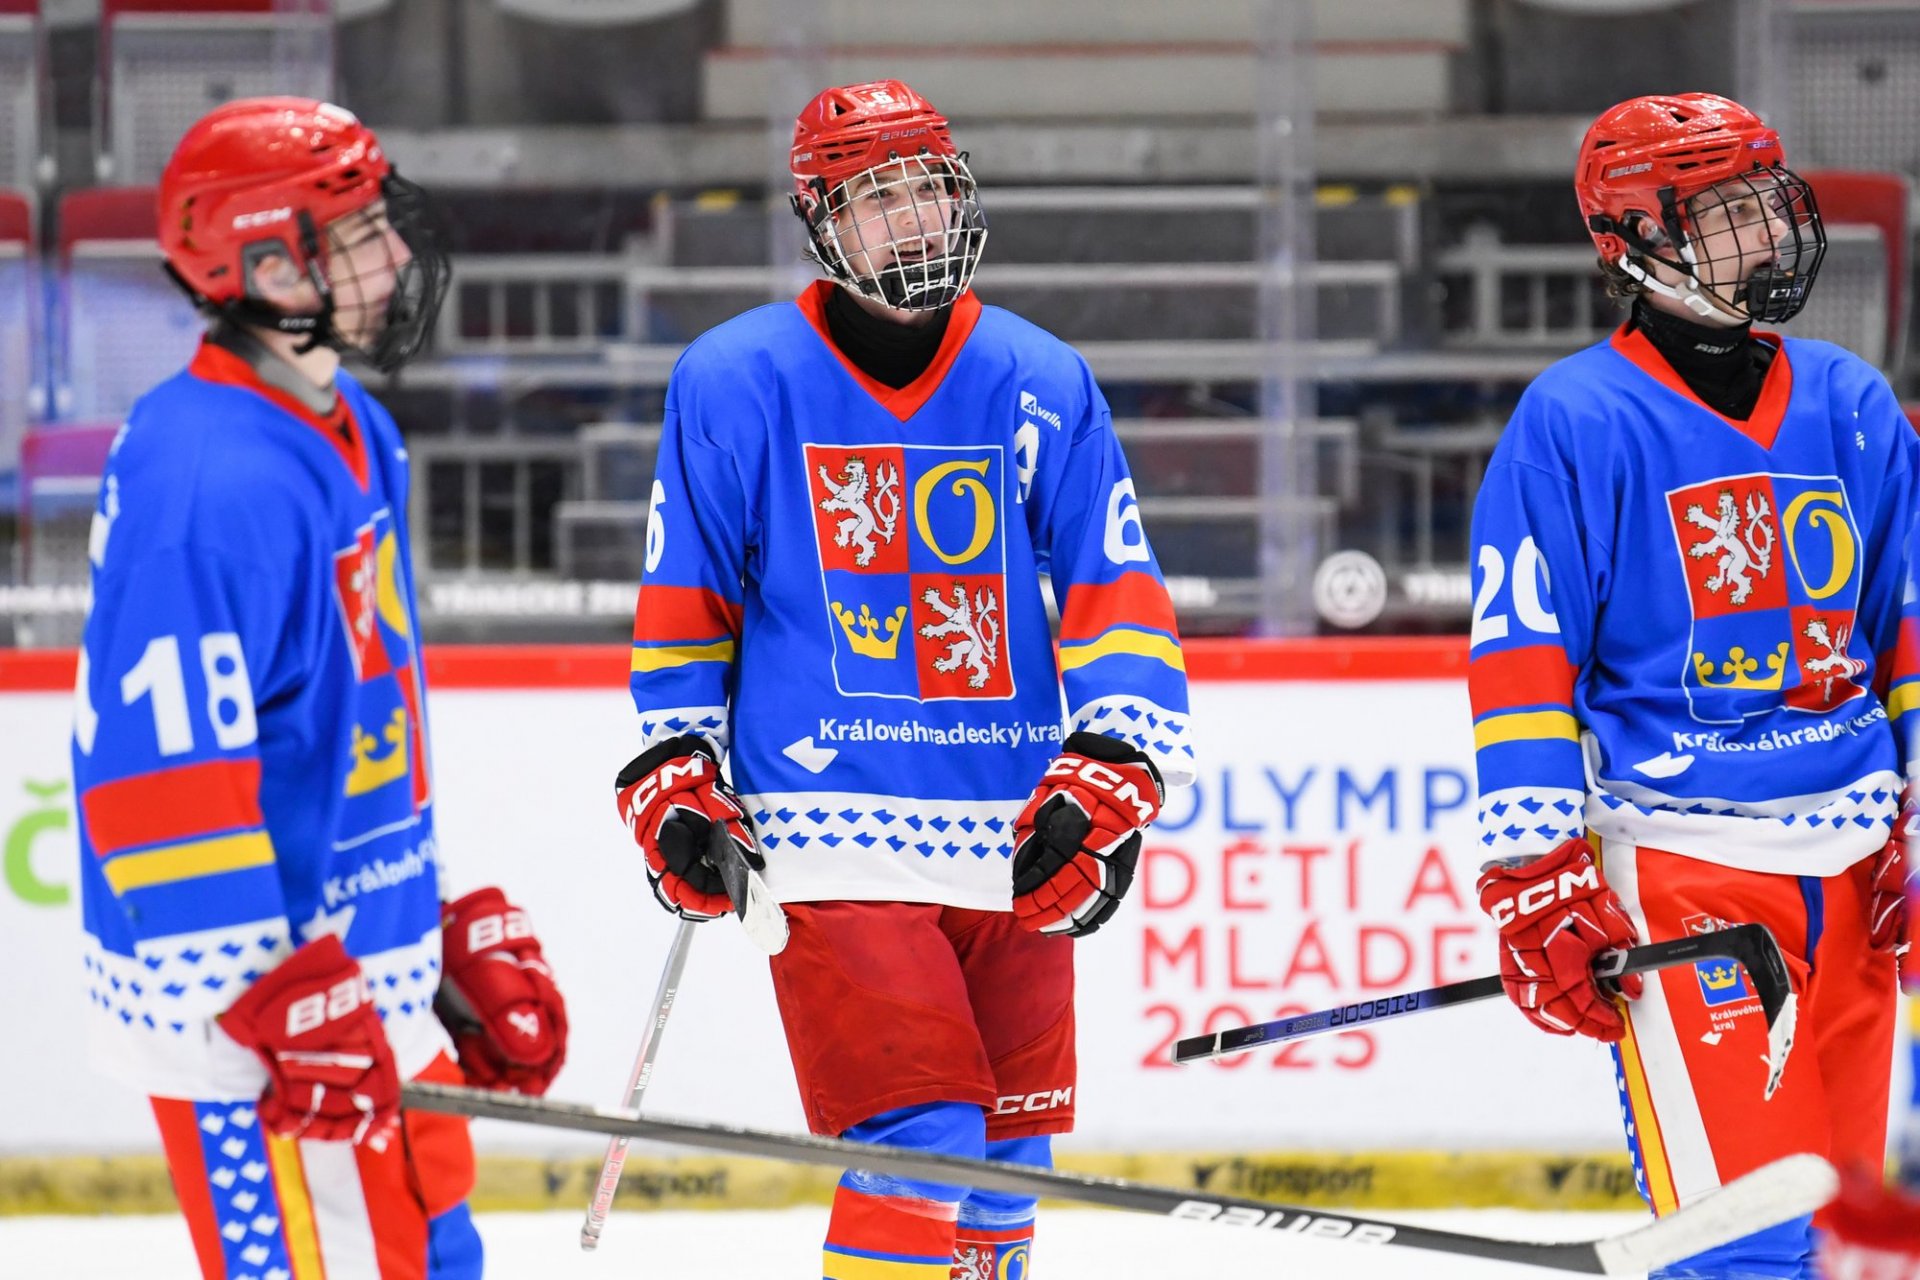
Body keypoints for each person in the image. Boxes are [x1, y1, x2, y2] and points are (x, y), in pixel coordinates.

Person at [615, 79, 1194, 1280]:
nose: (916, 221)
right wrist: (677, 768)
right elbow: (687, 597)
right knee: (924, 1139)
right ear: (820, 221)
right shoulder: (735, 378)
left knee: (1010, 1162)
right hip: (829, 825)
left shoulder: (1041, 376)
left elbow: (1116, 585)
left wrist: (1115, 763)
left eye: (930, 190)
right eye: (880, 201)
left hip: (1011, 822)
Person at [72, 98, 568, 1280]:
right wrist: (270, 992)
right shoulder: (209, 480)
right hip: (263, 1030)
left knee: (436, 1253)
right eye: (355, 237)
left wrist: (422, 922)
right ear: (266, 265)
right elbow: (157, 783)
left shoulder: (354, 426)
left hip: (352, 978)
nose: (393, 256)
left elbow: (349, 728)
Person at [1465, 92, 1914, 1278]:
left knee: (1847, 1238)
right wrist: (1537, 867)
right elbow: (1521, 655)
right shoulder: (1574, 419)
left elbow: (1908, 628)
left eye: (1766, 206)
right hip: (1683, 866)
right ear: (1633, 241)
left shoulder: (1852, 401)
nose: (1764, 236)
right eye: (1723, 215)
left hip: (1858, 872)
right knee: (1747, 1242)